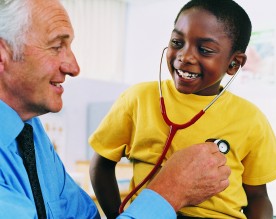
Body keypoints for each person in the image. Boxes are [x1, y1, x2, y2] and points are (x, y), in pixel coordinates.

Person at [0, 0, 230, 218]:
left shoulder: (30, 133)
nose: (74, 67)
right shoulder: (137, 98)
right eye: (56, 46)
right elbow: (101, 165)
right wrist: (171, 191)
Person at [89, 0, 276, 218]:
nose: (185, 56)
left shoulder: (251, 119)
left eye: (205, 50)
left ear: (234, 63)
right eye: (177, 42)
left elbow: (258, 197)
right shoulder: (137, 99)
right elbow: (101, 165)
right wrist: (117, 215)